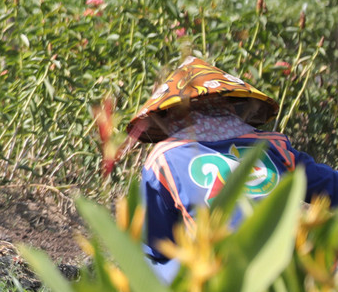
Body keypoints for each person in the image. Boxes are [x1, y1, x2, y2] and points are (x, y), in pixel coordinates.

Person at [131, 55, 338, 280]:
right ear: (232, 106)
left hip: (218, 278)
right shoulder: (273, 145)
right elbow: (331, 186)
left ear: (166, 117)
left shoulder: (164, 158)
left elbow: (155, 245)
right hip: (287, 270)